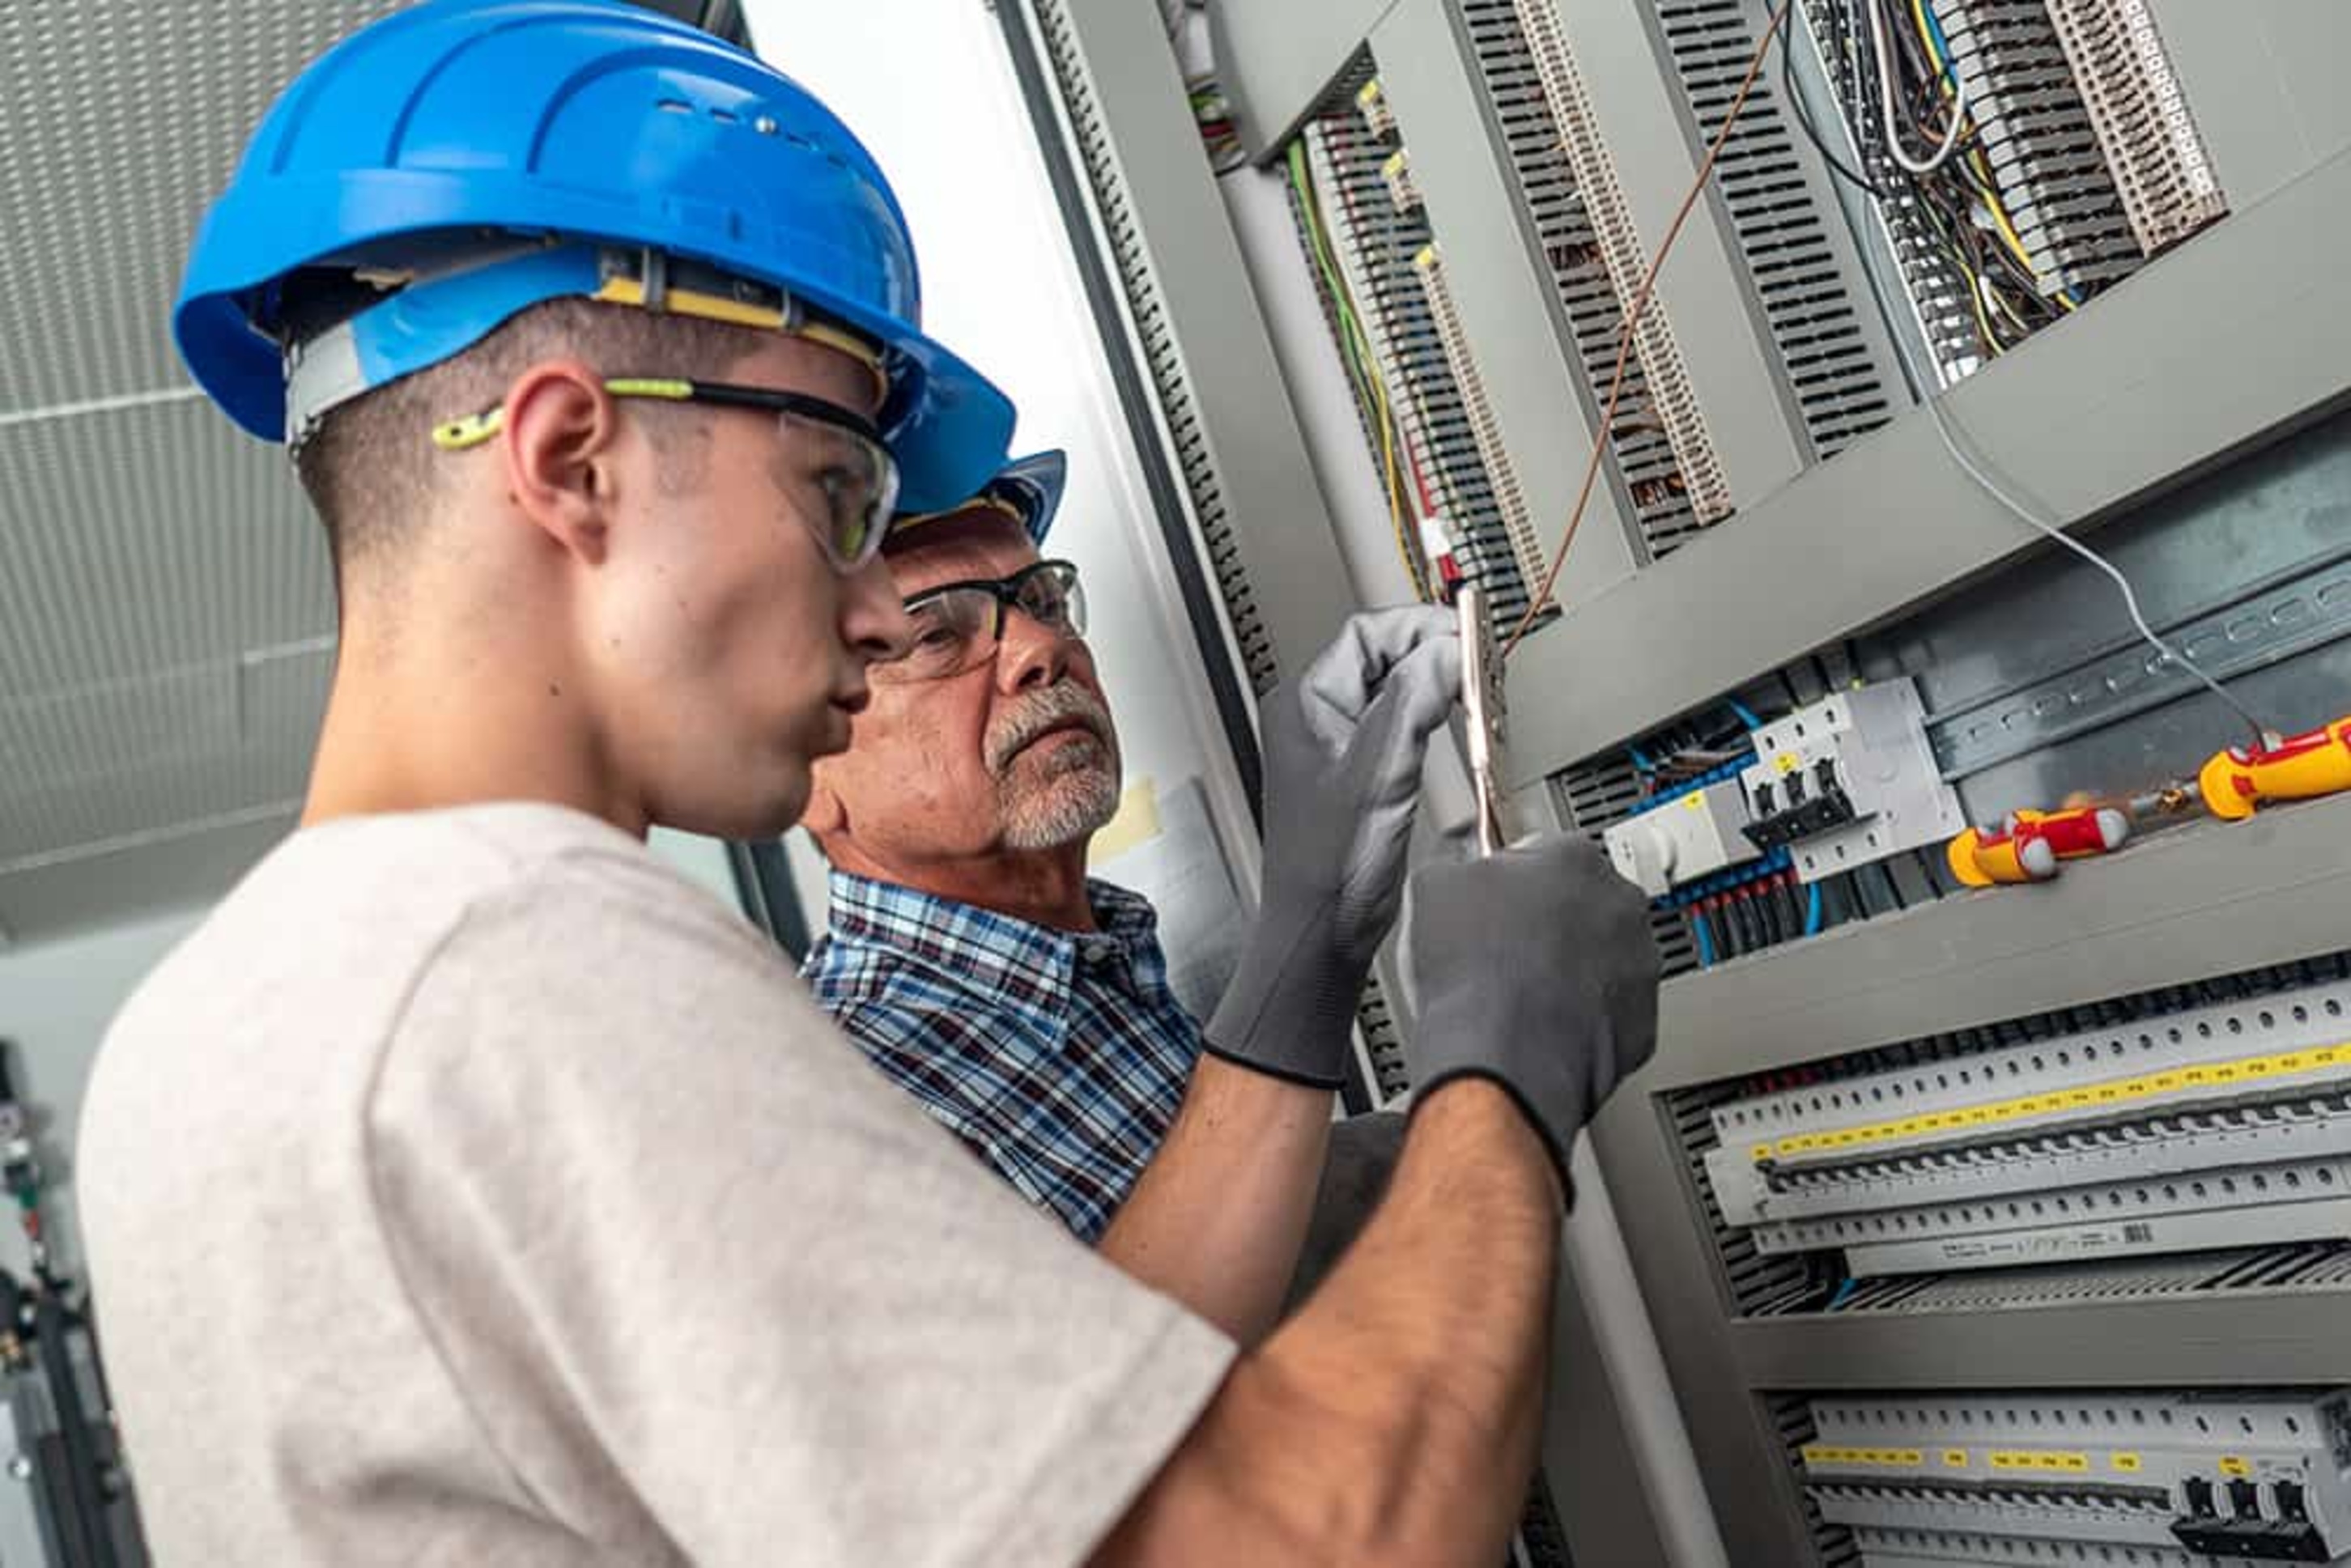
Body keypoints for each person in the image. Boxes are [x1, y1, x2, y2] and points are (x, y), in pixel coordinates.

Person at [78, 3, 1660, 1564]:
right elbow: (1305, 1538)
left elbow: (1066, 1408)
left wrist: (1315, 975)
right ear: (568, 460)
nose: (864, 604)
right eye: (837, 493)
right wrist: (1501, 1076)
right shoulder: (522, 978)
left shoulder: (216, 1030)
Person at [801, 451, 1416, 1339]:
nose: (1042, 649)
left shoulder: (1098, 958)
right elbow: (1144, 1426)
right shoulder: (862, 1113)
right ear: (803, 764)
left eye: (1044, 602)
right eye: (936, 635)